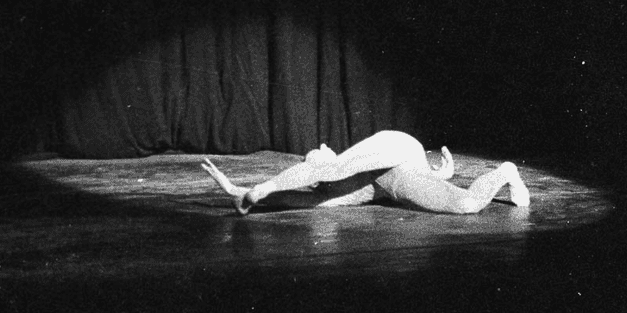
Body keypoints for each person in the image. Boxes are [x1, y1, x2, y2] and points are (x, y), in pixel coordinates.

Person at [199, 129, 530, 215]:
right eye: (311, 157)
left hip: (397, 152)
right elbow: (300, 199)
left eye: (317, 153)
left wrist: (261, 188)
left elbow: (317, 172)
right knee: (467, 204)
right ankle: (505, 172)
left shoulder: (340, 164)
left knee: (333, 169)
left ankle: (506, 172)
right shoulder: (341, 188)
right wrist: (244, 195)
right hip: (396, 175)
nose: (315, 153)